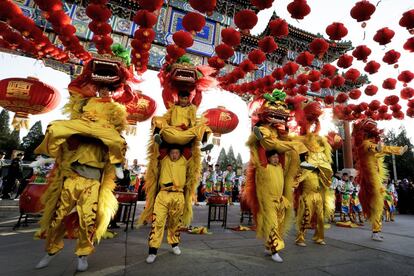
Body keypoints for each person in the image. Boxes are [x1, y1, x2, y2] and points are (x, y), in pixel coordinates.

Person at [143, 147, 188, 264]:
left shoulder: (185, 159)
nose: (174, 155)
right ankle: (152, 251)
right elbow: (158, 145)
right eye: (172, 152)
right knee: (157, 222)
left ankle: (174, 244)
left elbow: (193, 147)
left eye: (177, 152)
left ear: (180, 153)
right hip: (163, 194)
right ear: (169, 153)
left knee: (175, 222)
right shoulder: (163, 158)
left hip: (178, 196)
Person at [255, 151, 288, 262]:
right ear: (268, 159)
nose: (276, 159)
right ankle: (275, 252)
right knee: (272, 226)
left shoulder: (280, 168)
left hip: (280, 202)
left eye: (277, 157)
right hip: (269, 202)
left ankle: (268, 247)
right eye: (273, 157)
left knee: (279, 227)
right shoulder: (265, 168)